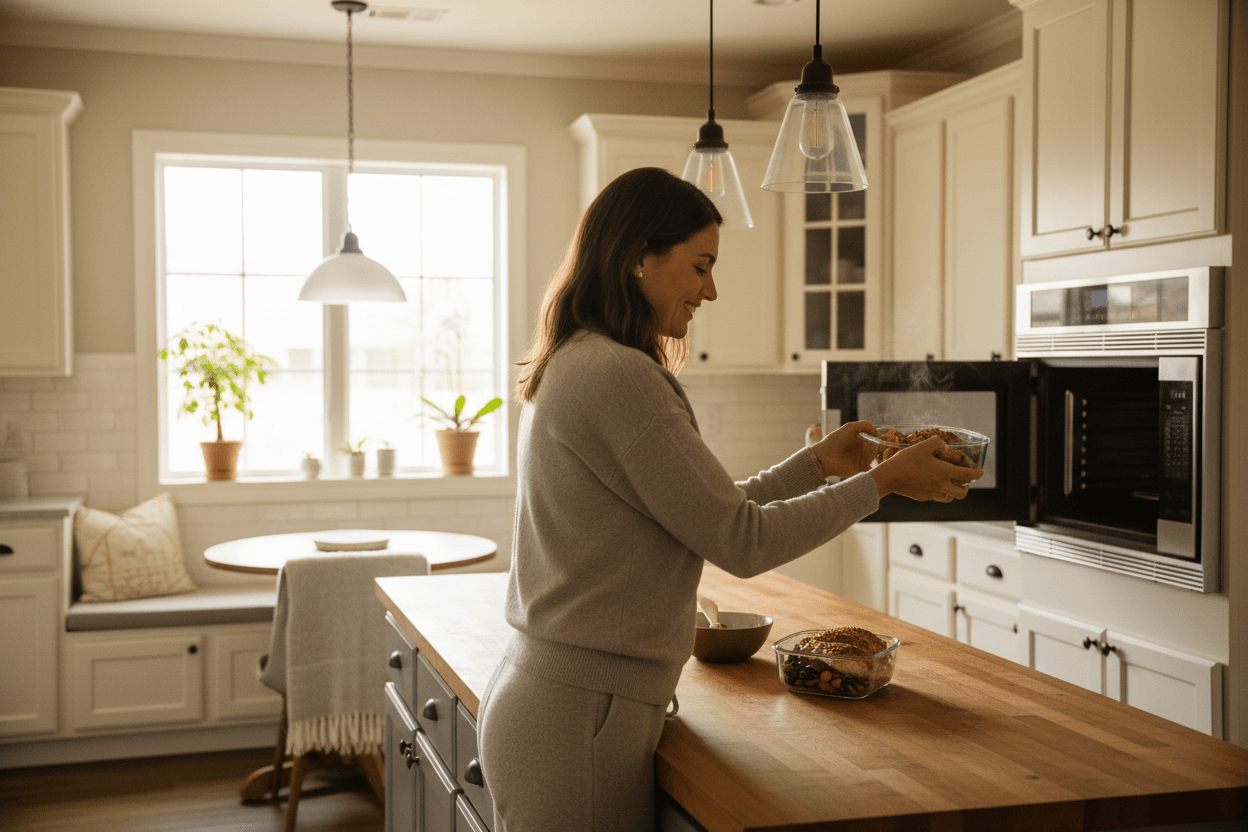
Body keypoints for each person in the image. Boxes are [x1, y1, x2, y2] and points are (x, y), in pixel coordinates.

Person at [477, 167, 982, 831]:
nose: (710, 290)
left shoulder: (582, 359)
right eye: (699, 266)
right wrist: (883, 482)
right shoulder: (622, 377)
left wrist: (818, 465)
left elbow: (700, 515)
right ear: (636, 259)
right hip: (582, 713)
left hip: (562, 701)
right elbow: (742, 542)